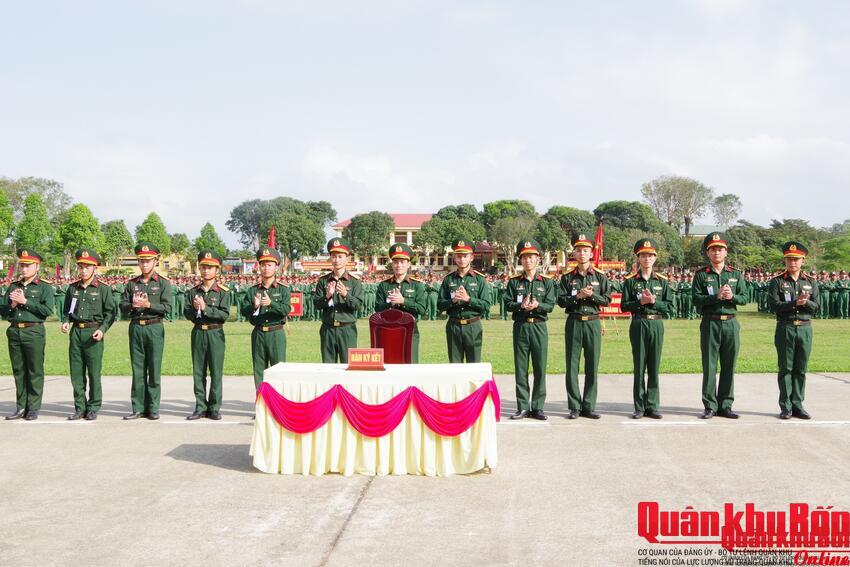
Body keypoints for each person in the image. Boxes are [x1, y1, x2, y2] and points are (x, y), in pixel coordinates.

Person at [691, 232, 748, 420]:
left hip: (731, 323)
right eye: (713, 249)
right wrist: (715, 296)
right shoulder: (701, 275)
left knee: (729, 365)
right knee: (709, 365)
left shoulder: (736, 274)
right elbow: (696, 300)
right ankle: (710, 405)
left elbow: (745, 298)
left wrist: (732, 297)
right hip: (710, 323)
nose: (717, 252)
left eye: (720, 249)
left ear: (726, 252)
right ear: (708, 253)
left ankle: (726, 404)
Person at [558, 233, 611, 419]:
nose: (582, 253)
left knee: (592, 365)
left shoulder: (600, 276)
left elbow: (607, 299)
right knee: (572, 366)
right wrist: (577, 297)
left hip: (593, 323)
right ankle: (574, 406)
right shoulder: (566, 278)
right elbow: (561, 301)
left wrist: (591, 296)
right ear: (574, 253)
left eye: (586, 250)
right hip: (574, 322)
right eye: (578, 250)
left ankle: (588, 405)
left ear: (591, 253)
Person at [61, 249, 116, 421]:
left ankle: (93, 407)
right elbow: (67, 310)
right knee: (76, 372)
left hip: (93, 333)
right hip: (76, 332)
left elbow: (111, 313)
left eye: (87, 267)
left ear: (94, 268)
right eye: (81, 267)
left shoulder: (103, 289)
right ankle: (79, 407)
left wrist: (102, 329)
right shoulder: (72, 289)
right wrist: (65, 321)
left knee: (93, 373)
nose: (83, 270)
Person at [620, 239, 673, 419]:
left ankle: (652, 405)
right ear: (638, 258)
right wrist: (640, 302)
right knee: (639, 365)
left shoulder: (662, 281)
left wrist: (654, 302)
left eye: (650, 255)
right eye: (643, 255)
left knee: (654, 365)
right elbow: (624, 306)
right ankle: (639, 407)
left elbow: (669, 306)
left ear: (655, 258)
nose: (647, 258)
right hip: (639, 323)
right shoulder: (630, 281)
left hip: (656, 323)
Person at [120, 242, 173, 420]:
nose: (144, 264)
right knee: (138, 369)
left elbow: (167, 307)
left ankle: (153, 407)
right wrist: (132, 305)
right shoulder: (131, 284)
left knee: (154, 368)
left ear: (155, 261)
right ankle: (138, 407)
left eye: (148, 261)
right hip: (136, 327)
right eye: (141, 261)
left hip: (154, 327)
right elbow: (122, 306)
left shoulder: (163, 283)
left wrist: (149, 304)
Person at [767, 242, 819, 420]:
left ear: (803, 260)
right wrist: (794, 303)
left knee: (801, 368)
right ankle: (786, 406)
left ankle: (798, 404)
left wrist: (807, 303)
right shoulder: (777, 281)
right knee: (786, 368)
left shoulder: (811, 282)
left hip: (805, 328)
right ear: (785, 260)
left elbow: (817, 307)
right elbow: (773, 305)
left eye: (796, 259)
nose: (793, 262)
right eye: (789, 259)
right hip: (786, 327)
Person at [506, 239, 556, 421]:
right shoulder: (513, 282)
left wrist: (537, 305)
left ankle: (538, 407)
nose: (528, 261)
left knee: (540, 367)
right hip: (521, 327)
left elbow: (550, 305)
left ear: (538, 259)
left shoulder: (547, 282)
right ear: (521, 260)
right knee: (521, 368)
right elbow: (507, 304)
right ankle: (522, 406)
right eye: (525, 257)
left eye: (531, 257)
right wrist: (521, 306)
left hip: (539, 327)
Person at [2, 249, 54, 421]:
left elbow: (47, 310)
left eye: (28, 265)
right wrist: (13, 305)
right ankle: (20, 406)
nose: (24, 269)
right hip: (15, 330)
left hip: (34, 331)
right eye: (22, 265)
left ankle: (33, 407)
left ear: (37, 266)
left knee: (34, 370)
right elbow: (3, 311)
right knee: (19, 371)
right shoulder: (13, 286)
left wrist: (25, 302)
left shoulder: (44, 287)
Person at [185, 250, 231, 420]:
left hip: (215, 332)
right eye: (203, 267)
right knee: (198, 371)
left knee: (216, 371)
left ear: (217, 270)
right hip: (198, 332)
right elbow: (186, 313)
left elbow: (224, 315)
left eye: (210, 267)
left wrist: (205, 308)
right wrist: (195, 309)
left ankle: (214, 407)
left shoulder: (223, 292)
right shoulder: (192, 292)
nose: (206, 270)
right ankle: (200, 406)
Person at [242, 248, 291, 389]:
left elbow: (286, 309)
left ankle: (277, 406)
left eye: (269, 265)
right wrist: (254, 306)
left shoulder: (283, 289)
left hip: (276, 332)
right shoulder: (253, 290)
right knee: (259, 371)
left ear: (276, 267)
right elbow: (244, 311)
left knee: (278, 370)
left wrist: (271, 304)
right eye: (263, 265)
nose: (266, 268)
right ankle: (261, 404)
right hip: (258, 333)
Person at [437, 238, 491, 363]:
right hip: (453, 326)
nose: (462, 259)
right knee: (455, 365)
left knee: (474, 365)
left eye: (465, 256)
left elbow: (486, 305)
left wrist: (468, 299)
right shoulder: (448, 279)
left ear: (471, 257)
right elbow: (440, 305)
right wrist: (453, 300)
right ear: (454, 258)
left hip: (473, 325)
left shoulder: (479, 279)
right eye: (459, 256)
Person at [313, 238, 363, 363]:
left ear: (347, 258)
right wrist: (327, 296)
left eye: (340, 256)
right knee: (328, 366)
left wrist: (346, 295)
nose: (337, 260)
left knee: (348, 366)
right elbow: (317, 305)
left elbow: (357, 305)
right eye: (334, 256)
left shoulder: (354, 281)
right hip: (328, 329)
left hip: (347, 329)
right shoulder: (323, 281)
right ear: (330, 258)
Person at [375, 243, 427, 362]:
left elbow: (422, 309)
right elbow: (377, 308)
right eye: (396, 262)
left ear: (408, 264)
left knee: (410, 363)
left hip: (409, 330)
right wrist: (390, 304)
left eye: (402, 262)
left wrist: (404, 301)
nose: (399, 265)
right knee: (390, 363)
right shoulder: (384, 285)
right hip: (387, 331)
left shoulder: (417, 285)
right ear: (391, 264)